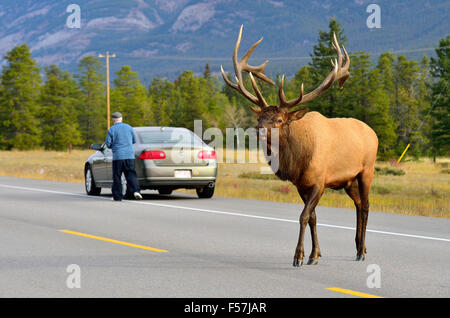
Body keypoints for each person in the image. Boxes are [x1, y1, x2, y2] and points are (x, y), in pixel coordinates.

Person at [105, 112, 143, 201]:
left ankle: (117, 196)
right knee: (131, 174)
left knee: (117, 176)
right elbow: (134, 140)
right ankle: (136, 191)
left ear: (113, 120)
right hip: (129, 156)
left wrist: (114, 145)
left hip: (118, 157)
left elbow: (108, 144)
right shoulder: (129, 127)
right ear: (121, 119)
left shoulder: (112, 129)